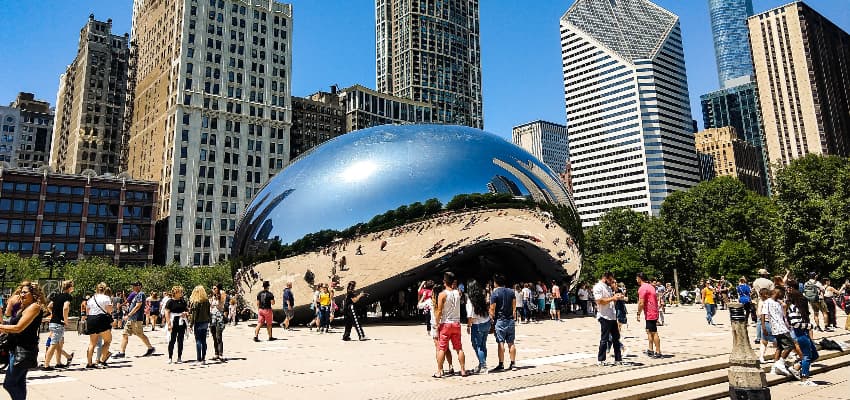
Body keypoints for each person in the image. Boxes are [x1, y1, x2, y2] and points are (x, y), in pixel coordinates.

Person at [0, 281, 45, 400]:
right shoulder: (22, 307)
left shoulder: (35, 307)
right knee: (19, 382)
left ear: (33, 293)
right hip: (15, 348)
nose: (21, 295)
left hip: (23, 350)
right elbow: (8, 317)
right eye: (20, 292)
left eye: (25, 292)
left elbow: (18, 328)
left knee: (9, 384)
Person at [434, 272, 467, 377]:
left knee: (442, 348)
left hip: (446, 323)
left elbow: (439, 311)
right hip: (456, 323)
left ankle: (439, 371)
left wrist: (437, 322)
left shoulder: (442, 294)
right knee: (459, 348)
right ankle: (462, 370)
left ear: (444, 282)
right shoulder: (458, 293)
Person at [786, 281, 818, 386]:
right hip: (800, 334)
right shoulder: (794, 308)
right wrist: (809, 326)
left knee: (814, 355)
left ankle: (796, 368)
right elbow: (795, 323)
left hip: (803, 333)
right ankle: (804, 378)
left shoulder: (797, 307)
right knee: (807, 356)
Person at [114, 281, 156, 359]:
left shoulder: (141, 294)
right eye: (132, 286)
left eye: (134, 286)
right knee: (125, 334)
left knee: (140, 334)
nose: (132, 287)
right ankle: (122, 352)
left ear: (139, 286)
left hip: (136, 318)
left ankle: (150, 348)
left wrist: (129, 314)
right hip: (131, 319)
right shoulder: (136, 295)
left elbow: (138, 306)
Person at [594, 271, 624, 366]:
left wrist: (617, 297)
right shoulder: (598, 287)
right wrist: (613, 298)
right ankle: (601, 359)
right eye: (610, 279)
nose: (612, 281)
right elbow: (599, 301)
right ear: (605, 278)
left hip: (612, 315)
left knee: (616, 338)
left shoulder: (608, 287)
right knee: (604, 339)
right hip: (604, 316)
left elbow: (611, 302)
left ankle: (618, 359)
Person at [762, 287, 794, 376]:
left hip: (782, 326)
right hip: (779, 328)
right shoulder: (767, 302)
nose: (782, 296)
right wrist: (764, 327)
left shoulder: (778, 302)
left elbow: (782, 315)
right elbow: (763, 315)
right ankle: (780, 363)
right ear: (777, 292)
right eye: (781, 294)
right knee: (790, 345)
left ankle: (774, 367)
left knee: (780, 347)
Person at [44, 280, 74, 369]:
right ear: (70, 288)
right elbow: (65, 308)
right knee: (53, 344)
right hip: (59, 323)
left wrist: (53, 314)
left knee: (58, 343)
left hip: (53, 322)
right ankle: (46, 364)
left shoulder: (57, 296)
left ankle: (59, 362)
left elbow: (49, 306)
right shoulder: (68, 297)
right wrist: (65, 320)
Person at [489, 274, 517, 373]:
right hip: (510, 320)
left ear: (495, 282)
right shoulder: (511, 292)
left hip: (500, 320)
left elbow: (492, 308)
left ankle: (501, 364)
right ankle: (513, 363)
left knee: (500, 342)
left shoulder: (495, 293)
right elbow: (514, 307)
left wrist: (491, 319)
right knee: (511, 342)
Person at [85, 282, 114, 368]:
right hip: (102, 319)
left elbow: (87, 311)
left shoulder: (91, 299)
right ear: (105, 289)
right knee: (108, 340)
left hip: (91, 319)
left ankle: (89, 363)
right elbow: (109, 310)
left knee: (92, 343)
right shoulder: (106, 298)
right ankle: (102, 359)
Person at [636, 273, 662, 358]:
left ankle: (658, 352)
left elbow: (641, 303)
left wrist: (638, 313)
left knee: (653, 332)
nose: (636, 280)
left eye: (637, 278)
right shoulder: (650, 286)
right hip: (653, 311)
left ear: (640, 278)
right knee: (649, 331)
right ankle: (650, 350)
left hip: (650, 312)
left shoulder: (642, 288)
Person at [466, 286, 490, 374]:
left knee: (477, 345)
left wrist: (469, 326)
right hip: (486, 322)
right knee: (483, 345)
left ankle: (483, 366)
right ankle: (481, 364)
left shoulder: (470, 300)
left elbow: (470, 316)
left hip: (477, 324)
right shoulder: (482, 297)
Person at [165, 286, 188, 364]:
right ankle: (170, 357)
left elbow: (187, 311)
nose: (181, 293)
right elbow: (167, 312)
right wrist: (168, 323)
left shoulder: (183, 301)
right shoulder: (170, 302)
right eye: (180, 292)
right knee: (172, 340)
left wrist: (186, 313)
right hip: (173, 320)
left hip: (181, 321)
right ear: (175, 293)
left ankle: (179, 357)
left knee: (180, 340)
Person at [189, 285, 211, 364]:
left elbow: (194, 316)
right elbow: (209, 313)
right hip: (205, 322)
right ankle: (203, 358)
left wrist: (191, 325)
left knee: (198, 341)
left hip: (198, 323)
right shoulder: (206, 301)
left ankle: (199, 359)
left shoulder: (196, 302)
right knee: (204, 340)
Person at [209, 284, 227, 361]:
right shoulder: (213, 297)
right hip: (212, 317)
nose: (213, 290)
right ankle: (216, 353)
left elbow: (222, 296)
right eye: (213, 288)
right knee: (214, 336)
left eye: (214, 288)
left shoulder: (221, 295)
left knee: (218, 336)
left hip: (219, 317)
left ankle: (220, 354)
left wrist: (219, 291)